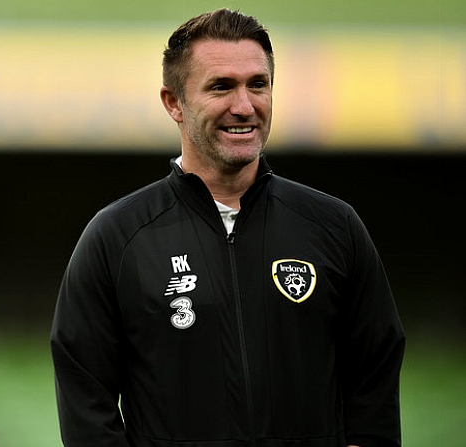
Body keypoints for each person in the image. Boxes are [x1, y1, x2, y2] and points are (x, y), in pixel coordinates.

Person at [50, 8, 405, 447]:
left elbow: (375, 385)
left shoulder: (334, 226)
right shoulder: (117, 237)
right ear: (174, 103)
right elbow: (87, 402)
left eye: (258, 84)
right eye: (221, 86)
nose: (244, 105)